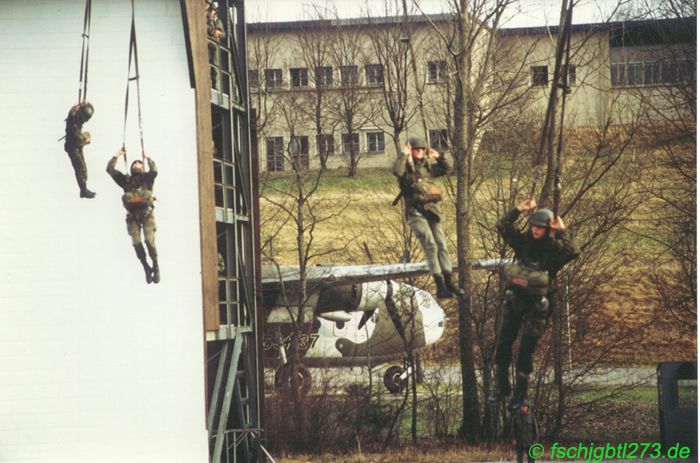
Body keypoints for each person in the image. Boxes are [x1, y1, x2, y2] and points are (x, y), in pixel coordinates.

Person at [488, 198, 579, 409]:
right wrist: (519, 209)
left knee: (525, 351)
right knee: (503, 344)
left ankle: (521, 395)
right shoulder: (523, 243)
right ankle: (501, 389)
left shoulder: (554, 251)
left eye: (541, 227)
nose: (536, 230)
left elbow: (573, 251)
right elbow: (502, 226)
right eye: (534, 226)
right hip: (516, 299)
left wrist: (562, 230)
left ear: (548, 229)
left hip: (538, 305)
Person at [393, 136, 463, 299]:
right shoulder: (406, 169)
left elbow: (447, 169)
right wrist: (404, 155)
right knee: (430, 245)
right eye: (417, 149)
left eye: (422, 149)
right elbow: (397, 171)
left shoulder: (427, 168)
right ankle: (440, 286)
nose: (420, 152)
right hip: (415, 212)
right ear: (411, 150)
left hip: (432, 210)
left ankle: (449, 281)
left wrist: (438, 156)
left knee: (441, 244)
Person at [107, 148, 160, 284]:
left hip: (146, 215)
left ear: (142, 167)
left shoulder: (147, 179)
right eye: (134, 163)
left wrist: (147, 158)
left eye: (139, 163)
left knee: (149, 240)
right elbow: (110, 170)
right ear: (131, 168)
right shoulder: (126, 181)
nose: (137, 164)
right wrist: (117, 155)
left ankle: (155, 264)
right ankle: (146, 268)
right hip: (132, 216)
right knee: (136, 243)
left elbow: (154, 171)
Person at [63, 102, 96, 198]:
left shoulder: (77, 116)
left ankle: (83, 188)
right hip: (72, 146)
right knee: (80, 168)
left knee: (84, 170)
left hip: (76, 144)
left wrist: (84, 104)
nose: (85, 121)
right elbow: (78, 137)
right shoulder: (73, 121)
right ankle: (83, 190)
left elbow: (78, 109)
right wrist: (86, 141)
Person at [206, 0, 226, 90]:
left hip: (215, 44)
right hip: (208, 43)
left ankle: (215, 85)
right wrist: (210, 19)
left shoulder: (218, 21)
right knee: (208, 65)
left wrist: (219, 33)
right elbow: (209, 30)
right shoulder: (206, 19)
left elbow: (224, 34)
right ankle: (209, 83)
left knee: (215, 66)